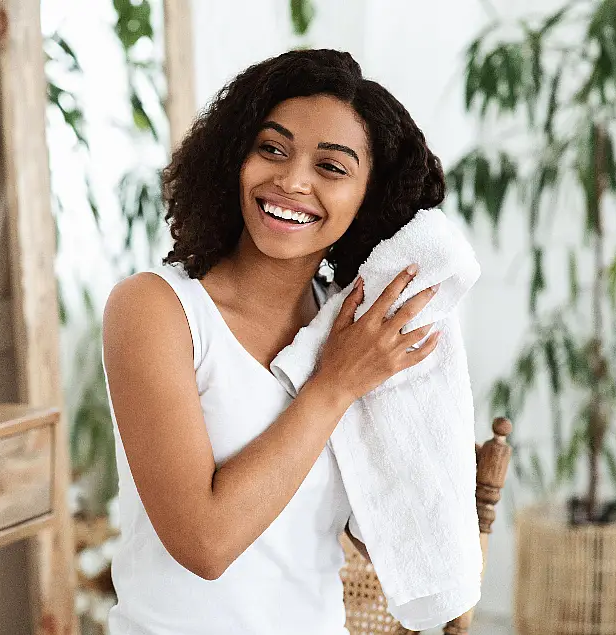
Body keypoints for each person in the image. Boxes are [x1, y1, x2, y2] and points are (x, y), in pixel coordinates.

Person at [101, 48, 445, 635]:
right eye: (271, 149)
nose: (290, 181)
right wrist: (334, 386)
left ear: (370, 197)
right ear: (234, 155)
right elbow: (205, 545)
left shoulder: (348, 327)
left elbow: (388, 529)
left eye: (331, 167)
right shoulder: (157, 310)